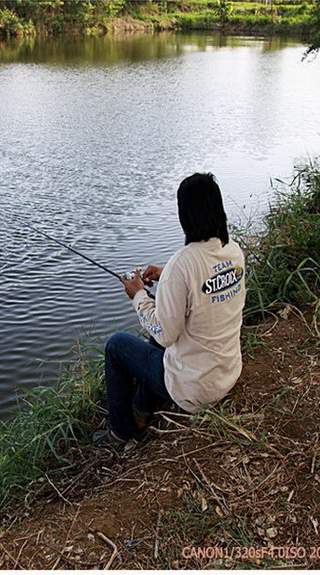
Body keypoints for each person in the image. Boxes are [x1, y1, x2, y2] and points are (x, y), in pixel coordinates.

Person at [92, 172, 246, 446]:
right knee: (157, 333)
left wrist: (138, 295)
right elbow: (204, 285)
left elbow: (165, 335)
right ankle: (141, 411)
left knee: (117, 345)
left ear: (185, 215)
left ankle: (120, 433)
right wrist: (166, 277)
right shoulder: (233, 251)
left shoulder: (183, 263)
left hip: (196, 389)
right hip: (227, 373)